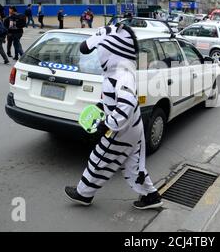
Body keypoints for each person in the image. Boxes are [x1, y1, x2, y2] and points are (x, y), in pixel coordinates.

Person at [65, 23, 163, 210]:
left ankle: (84, 193)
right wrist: (102, 106)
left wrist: (107, 124)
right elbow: (118, 101)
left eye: (101, 49)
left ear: (111, 49)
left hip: (122, 129)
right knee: (133, 165)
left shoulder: (120, 74)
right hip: (132, 126)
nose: (99, 55)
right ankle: (152, 196)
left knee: (99, 157)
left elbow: (126, 104)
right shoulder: (120, 72)